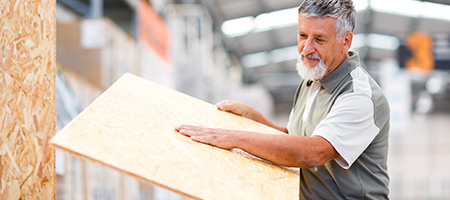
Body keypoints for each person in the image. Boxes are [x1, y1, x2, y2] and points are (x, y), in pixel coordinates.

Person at [175, 0, 390, 199]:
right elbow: (294, 138)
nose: (306, 49)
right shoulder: (312, 80)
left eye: (319, 39)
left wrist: (233, 137)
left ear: (345, 41)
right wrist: (254, 119)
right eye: (303, 35)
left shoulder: (359, 95)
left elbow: (313, 152)